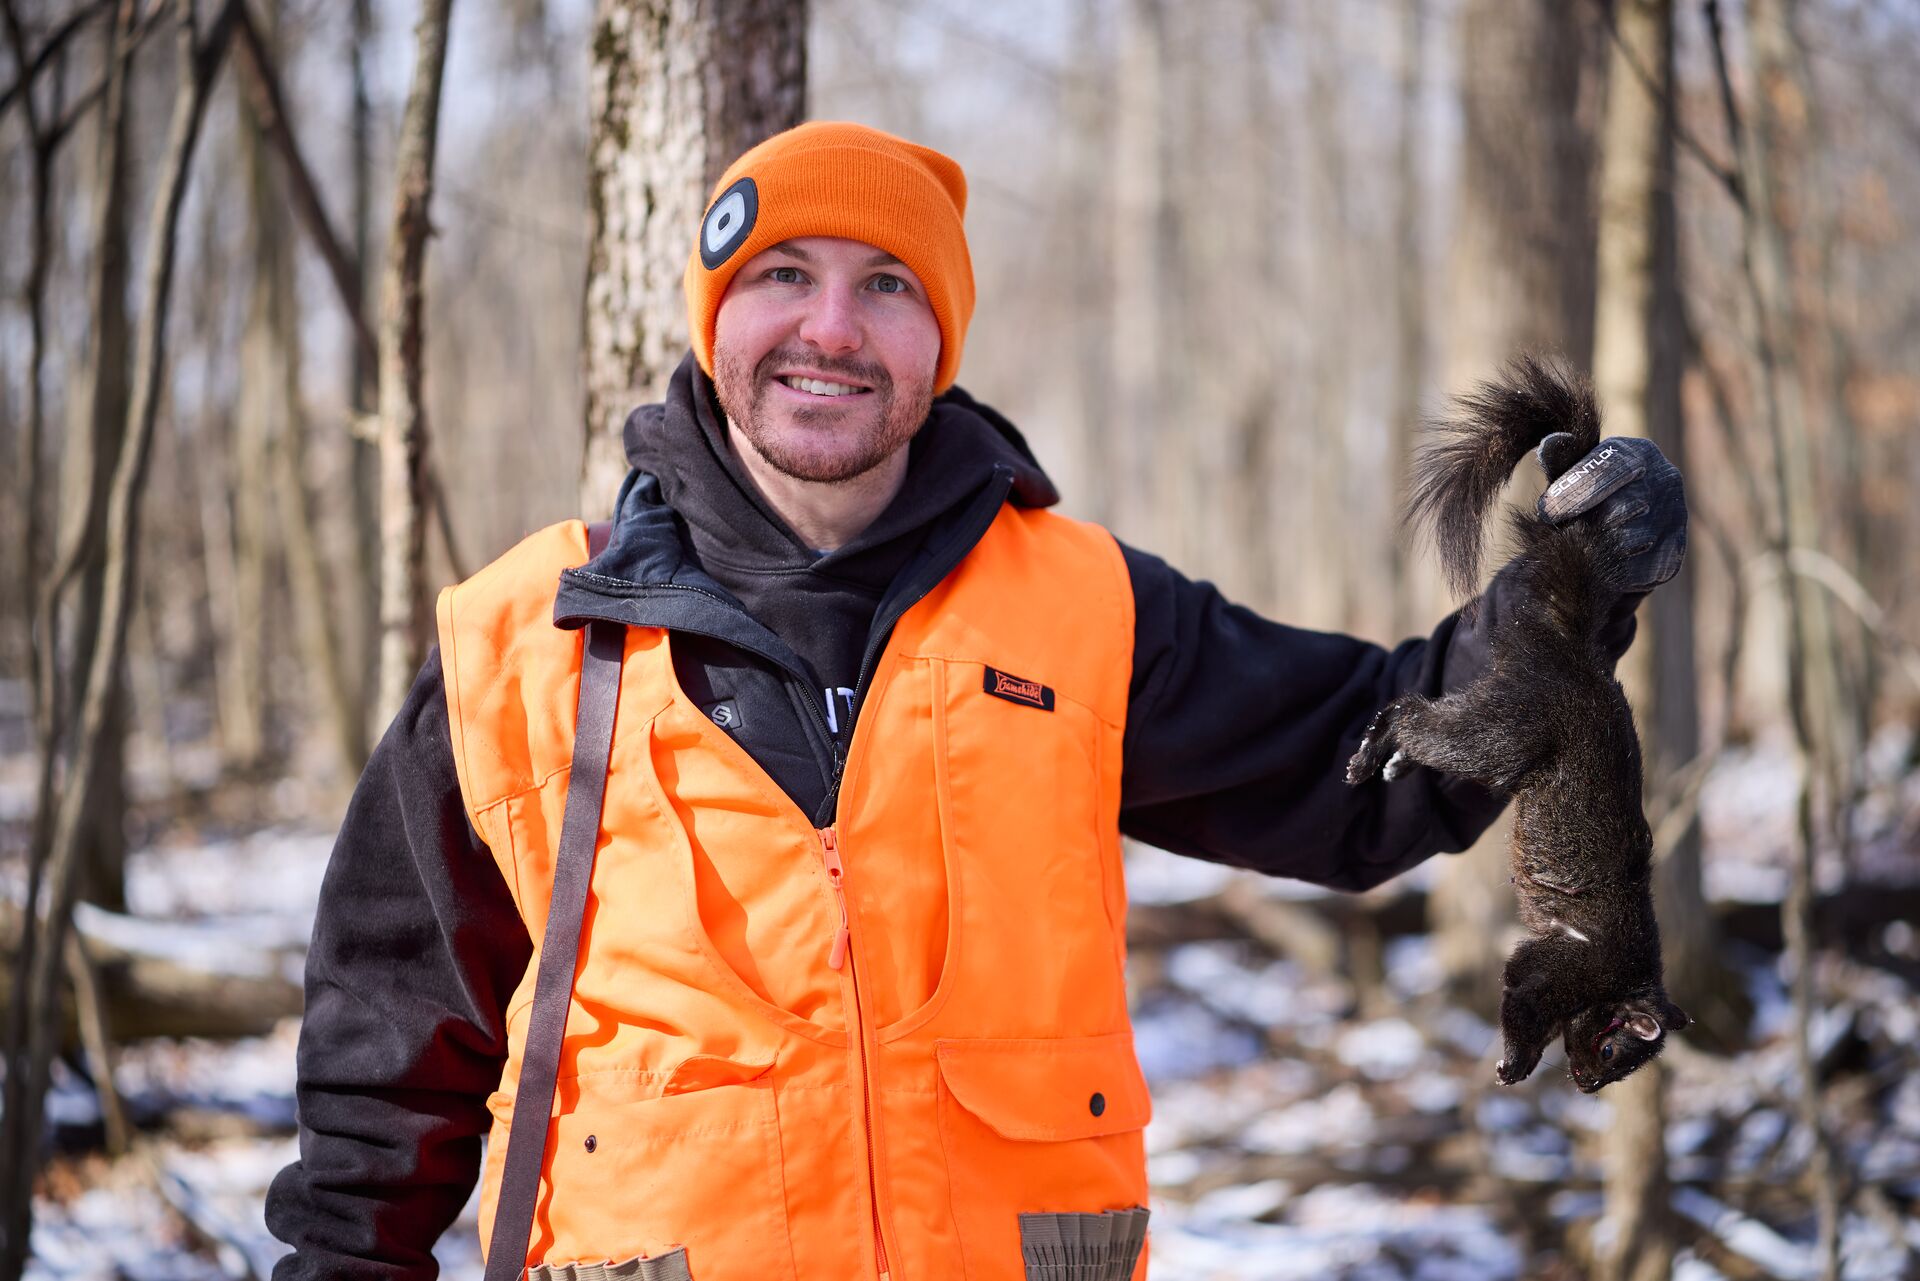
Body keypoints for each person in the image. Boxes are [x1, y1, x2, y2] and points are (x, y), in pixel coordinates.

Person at [265, 122, 1686, 1281]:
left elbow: (1359, 766)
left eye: (887, 283)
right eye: (783, 274)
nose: (829, 325)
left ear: (938, 337)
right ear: (713, 313)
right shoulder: (528, 640)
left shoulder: (1083, 609)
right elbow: (382, 1072)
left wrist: (1563, 597)